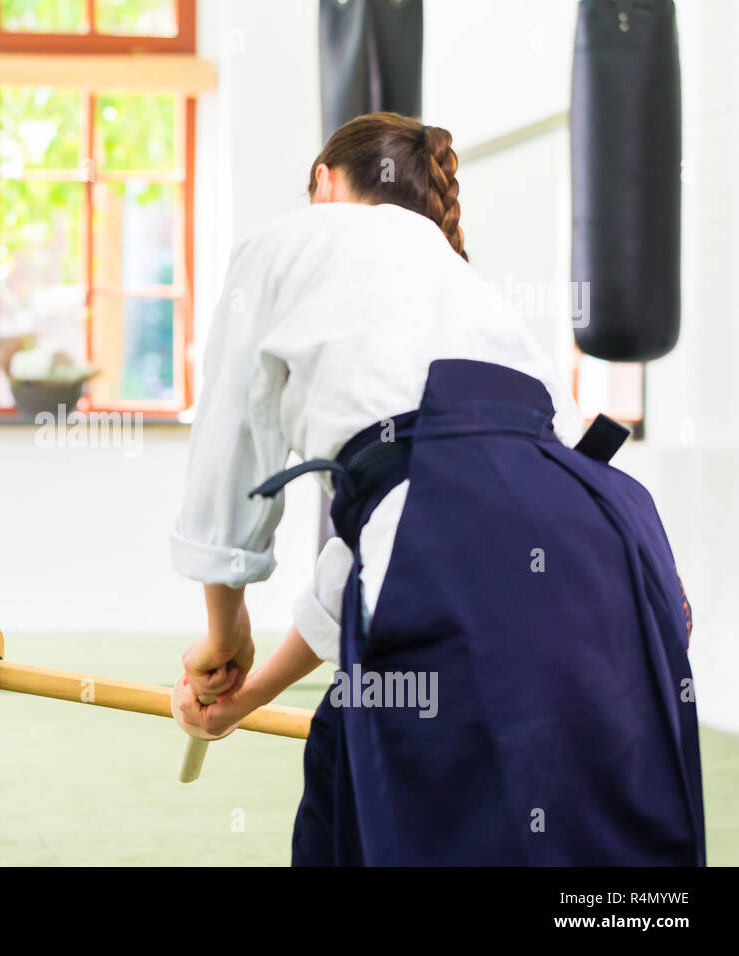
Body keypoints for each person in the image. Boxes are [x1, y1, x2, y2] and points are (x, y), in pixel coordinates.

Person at [170, 112, 705, 865]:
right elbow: (379, 549)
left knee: (404, 811)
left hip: (463, 548)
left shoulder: (286, 246)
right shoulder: (478, 301)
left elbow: (229, 464)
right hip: (619, 560)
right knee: (590, 846)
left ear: (324, 183)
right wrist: (250, 693)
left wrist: (223, 638)